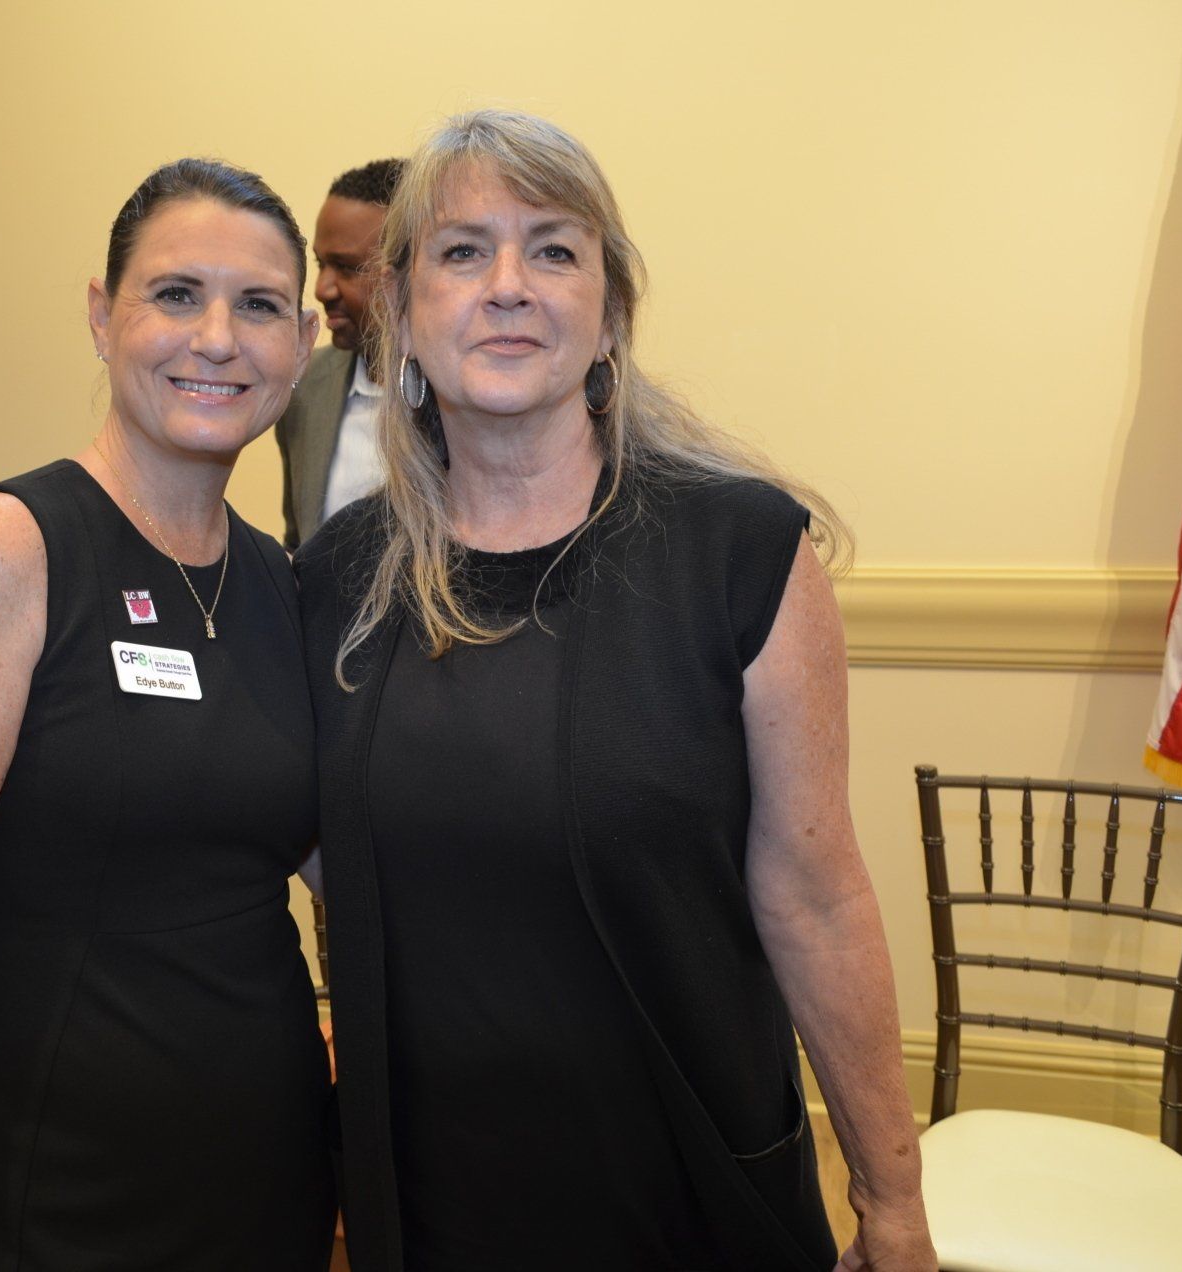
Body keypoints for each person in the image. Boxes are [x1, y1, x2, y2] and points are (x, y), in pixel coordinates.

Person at [294, 110, 935, 1272]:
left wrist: (890, 1198)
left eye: (553, 249)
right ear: (401, 315)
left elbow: (817, 896)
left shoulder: (739, 553)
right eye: (461, 251)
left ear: (609, 317)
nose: (508, 285)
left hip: (689, 1185)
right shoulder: (340, 574)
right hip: (429, 1198)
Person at [0, 158, 334, 1272]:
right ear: (104, 317)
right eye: (176, 294)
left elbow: (320, 853)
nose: (218, 338)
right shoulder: (5, 549)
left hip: (271, 1150)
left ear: (303, 343)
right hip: (68, 1163)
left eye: (260, 306)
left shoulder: (278, 578)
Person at [275, 157, 404, 550]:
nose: (322, 289)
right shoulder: (302, 387)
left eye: (347, 268)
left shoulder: (469, 397)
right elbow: (298, 545)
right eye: (320, 263)